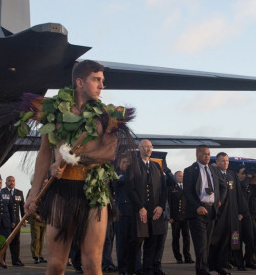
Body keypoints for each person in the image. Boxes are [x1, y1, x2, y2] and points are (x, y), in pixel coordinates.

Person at [20, 60, 134, 275]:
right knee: (55, 264)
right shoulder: (53, 111)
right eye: (96, 80)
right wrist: (33, 193)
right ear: (80, 82)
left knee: (92, 263)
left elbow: (109, 153)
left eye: (102, 81)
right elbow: (44, 153)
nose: (102, 86)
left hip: (95, 192)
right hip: (60, 191)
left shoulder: (107, 116)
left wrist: (73, 158)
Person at [126, 139, 168, 275]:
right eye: (145, 147)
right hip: (140, 212)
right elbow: (130, 189)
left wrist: (161, 206)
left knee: (152, 243)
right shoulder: (133, 165)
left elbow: (164, 189)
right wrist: (140, 207)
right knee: (136, 242)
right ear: (139, 148)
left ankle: (148, 270)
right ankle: (130, 270)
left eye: (150, 147)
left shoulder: (156, 166)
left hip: (155, 212)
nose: (148, 149)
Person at [183, 145, 227, 275]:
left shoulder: (214, 170)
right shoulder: (190, 170)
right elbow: (188, 192)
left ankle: (205, 267)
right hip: (197, 212)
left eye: (208, 154)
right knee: (201, 244)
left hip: (212, 210)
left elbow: (223, 186)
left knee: (207, 243)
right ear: (197, 154)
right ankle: (202, 271)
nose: (207, 156)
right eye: (204, 154)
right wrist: (197, 206)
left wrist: (219, 201)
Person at [210, 152, 247, 272]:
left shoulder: (232, 175)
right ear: (216, 162)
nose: (225, 163)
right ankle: (214, 264)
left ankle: (234, 263)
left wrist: (241, 211)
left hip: (233, 214)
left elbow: (238, 194)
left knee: (234, 238)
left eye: (227, 161)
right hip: (219, 214)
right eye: (222, 161)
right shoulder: (213, 173)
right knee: (217, 240)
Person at [235, 168, 256, 270]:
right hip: (235, 216)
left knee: (251, 240)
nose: (245, 175)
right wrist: (249, 178)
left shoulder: (248, 185)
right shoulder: (235, 184)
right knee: (236, 241)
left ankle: (248, 260)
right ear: (237, 174)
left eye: (246, 174)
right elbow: (242, 187)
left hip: (246, 215)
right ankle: (239, 264)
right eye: (243, 173)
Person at [168, 170, 193, 264]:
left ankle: (187, 257)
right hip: (175, 217)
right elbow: (169, 203)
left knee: (187, 237)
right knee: (175, 238)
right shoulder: (171, 188)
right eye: (179, 176)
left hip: (186, 217)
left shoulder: (187, 188)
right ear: (175, 177)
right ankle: (178, 257)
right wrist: (170, 216)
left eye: (182, 176)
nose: (182, 177)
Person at [3, 176, 26, 266]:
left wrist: (24, 219)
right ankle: (2, 261)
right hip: (5, 221)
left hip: (16, 221)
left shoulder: (19, 193)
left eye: (13, 181)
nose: (11, 182)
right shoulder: (2, 192)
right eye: (9, 181)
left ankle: (16, 260)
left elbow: (22, 208)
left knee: (16, 242)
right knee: (4, 242)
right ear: (6, 182)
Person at [0, 179, 12, 269]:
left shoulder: (6, 192)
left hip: (6, 221)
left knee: (4, 242)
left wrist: (13, 221)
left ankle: (1, 259)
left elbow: (11, 208)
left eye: (0, 182)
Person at [27, 186, 48, 265]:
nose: (45, 182)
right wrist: (36, 216)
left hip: (43, 217)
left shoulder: (47, 191)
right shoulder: (32, 191)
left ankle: (40, 255)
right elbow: (29, 204)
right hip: (35, 218)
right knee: (36, 237)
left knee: (41, 238)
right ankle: (35, 256)